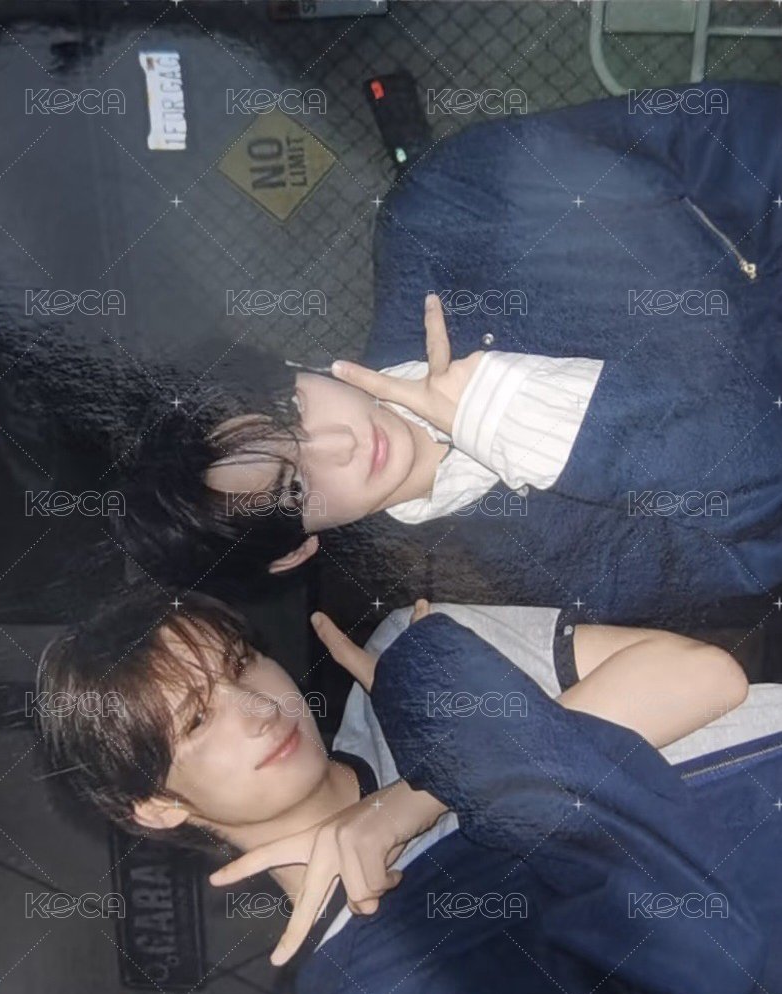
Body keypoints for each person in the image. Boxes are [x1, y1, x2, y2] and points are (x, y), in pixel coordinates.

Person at [36, 584, 782, 994]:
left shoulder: (400, 665)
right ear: (157, 805)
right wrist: (454, 744)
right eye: (199, 719)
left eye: (241, 663)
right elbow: (690, 969)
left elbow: (705, 678)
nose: (259, 709)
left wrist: (414, 793)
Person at [116, 80, 782, 627]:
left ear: (291, 367)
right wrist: (548, 428)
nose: (339, 445)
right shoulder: (542, 577)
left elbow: (712, 134)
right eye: (294, 486)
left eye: (290, 410)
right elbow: (764, 544)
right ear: (294, 554)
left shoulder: (441, 214)